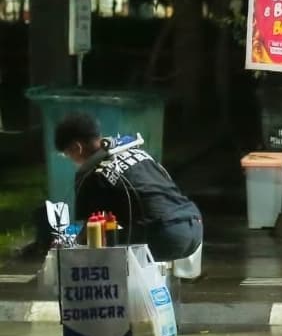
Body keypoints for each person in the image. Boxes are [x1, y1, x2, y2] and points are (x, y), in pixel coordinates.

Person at [55, 112, 203, 262]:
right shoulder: (135, 150)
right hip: (194, 225)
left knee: (99, 242)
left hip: (165, 235)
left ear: (76, 148)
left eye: (68, 154)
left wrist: (68, 252)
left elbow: (90, 230)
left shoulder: (91, 174)